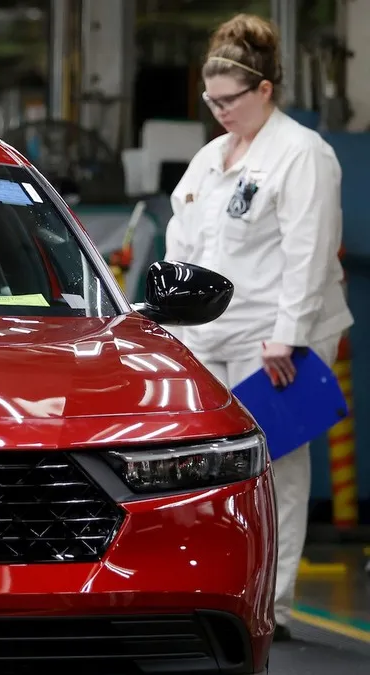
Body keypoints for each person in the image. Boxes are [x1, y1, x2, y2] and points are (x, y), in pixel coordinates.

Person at [163, 14, 353, 642]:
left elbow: (310, 252)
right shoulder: (210, 158)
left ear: (264, 89)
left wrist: (290, 336)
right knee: (204, 467)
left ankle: (275, 602)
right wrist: (175, 326)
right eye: (209, 100)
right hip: (209, 333)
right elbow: (182, 243)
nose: (218, 110)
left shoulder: (303, 154)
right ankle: (214, 590)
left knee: (276, 467)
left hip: (273, 336)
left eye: (229, 99)